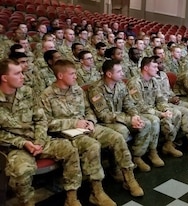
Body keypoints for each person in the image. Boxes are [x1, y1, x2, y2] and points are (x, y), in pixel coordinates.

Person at [40, 60, 143, 205]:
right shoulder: (47, 95)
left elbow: (89, 109)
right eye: (72, 74)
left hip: (85, 126)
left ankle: (129, 178)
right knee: (92, 145)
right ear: (61, 75)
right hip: (65, 133)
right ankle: (97, 191)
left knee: (117, 137)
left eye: (76, 73)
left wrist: (90, 121)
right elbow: (47, 123)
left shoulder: (77, 89)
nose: (76, 76)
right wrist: (74, 123)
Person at [0, 59, 82, 206]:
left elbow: (41, 120)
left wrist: (39, 141)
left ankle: (72, 197)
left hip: (39, 139)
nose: (23, 76)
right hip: (15, 147)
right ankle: (27, 203)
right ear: (4, 78)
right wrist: (24, 143)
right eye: (17, 73)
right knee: (21, 170)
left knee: (69, 149)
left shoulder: (28, 92)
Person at [86, 59, 155, 172]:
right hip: (104, 122)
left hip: (120, 118)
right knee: (122, 130)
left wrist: (134, 116)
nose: (123, 73)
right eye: (119, 71)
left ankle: (136, 156)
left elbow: (129, 103)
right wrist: (128, 120)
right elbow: (103, 115)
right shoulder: (96, 89)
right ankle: (116, 166)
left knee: (145, 123)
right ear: (109, 74)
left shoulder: (121, 85)